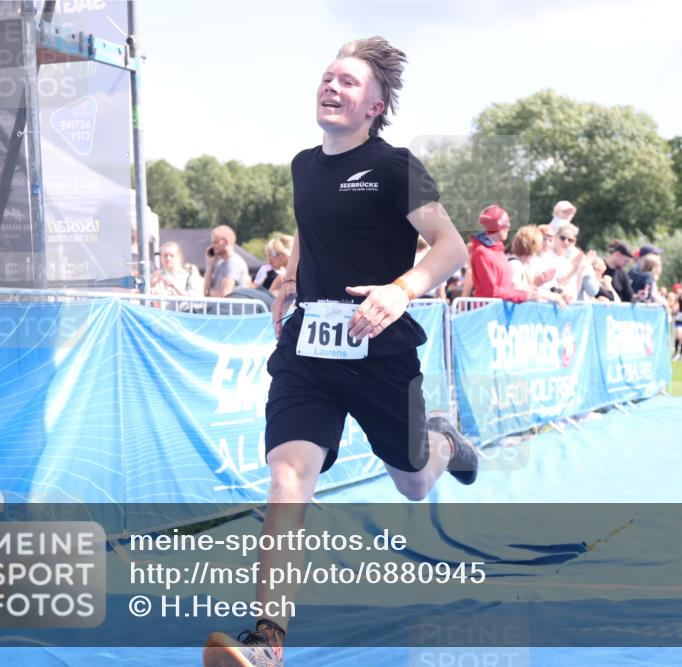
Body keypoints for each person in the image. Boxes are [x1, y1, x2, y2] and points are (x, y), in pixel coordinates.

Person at [204, 37, 477, 667]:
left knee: (413, 482)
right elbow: (309, 222)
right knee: (286, 479)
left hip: (380, 351)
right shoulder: (304, 164)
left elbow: (449, 245)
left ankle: (444, 441)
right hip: (309, 351)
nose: (331, 86)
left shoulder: (396, 167)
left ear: (376, 105)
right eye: (326, 78)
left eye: (348, 82)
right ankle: (268, 641)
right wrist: (290, 280)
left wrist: (402, 289)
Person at [150, 241, 203, 310]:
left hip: (181, 316)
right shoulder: (155, 275)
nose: (168, 258)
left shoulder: (190, 276)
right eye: (165, 255)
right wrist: (151, 285)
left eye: (171, 255)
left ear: (179, 257)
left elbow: (197, 301)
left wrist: (174, 286)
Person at [204, 225, 252, 297]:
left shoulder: (234, 263)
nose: (212, 246)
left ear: (225, 242)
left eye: (215, 242)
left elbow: (224, 294)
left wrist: (210, 293)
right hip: (217, 307)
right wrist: (209, 265)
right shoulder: (220, 264)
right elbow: (206, 290)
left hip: (229, 308)